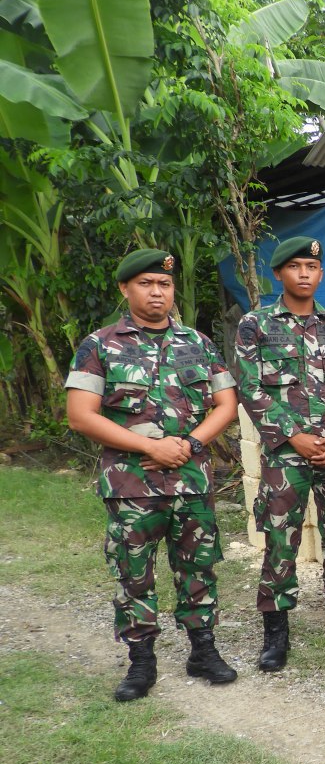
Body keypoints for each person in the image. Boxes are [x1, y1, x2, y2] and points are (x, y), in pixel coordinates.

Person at [66, 248, 239, 700]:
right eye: (146, 283)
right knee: (133, 574)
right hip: (131, 487)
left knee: (199, 570)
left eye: (164, 284)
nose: (157, 291)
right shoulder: (99, 344)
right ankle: (141, 662)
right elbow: (81, 415)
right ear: (125, 289)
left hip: (192, 482)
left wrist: (192, 444)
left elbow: (226, 404)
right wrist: (150, 446)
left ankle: (203, 650)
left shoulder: (197, 343)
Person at [236, 236, 325, 671]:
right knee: (281, 540)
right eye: (295, 267)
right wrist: (293, 435)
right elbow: (250, 388)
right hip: (285, 455)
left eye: (311, 268)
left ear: (320, 274)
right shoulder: (255, 325)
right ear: (279, 274)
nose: (304, 274)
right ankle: (276, 634)